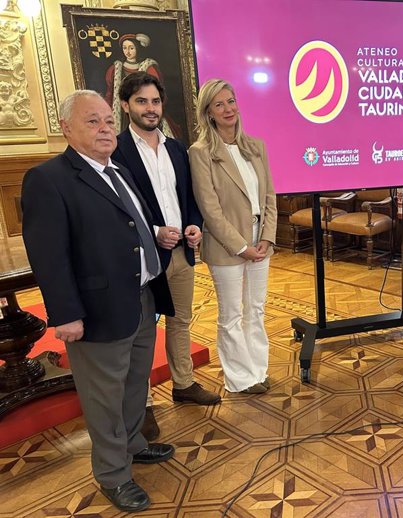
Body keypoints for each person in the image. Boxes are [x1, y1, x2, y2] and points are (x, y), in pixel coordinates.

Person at [21, 90, 175, 512]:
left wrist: (156, 235)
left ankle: (133, 444)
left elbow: (127, 225)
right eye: (93, 121)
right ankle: (113, 474)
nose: (105, 128)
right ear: (66, 128)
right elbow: (49, 256)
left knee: (132, 386)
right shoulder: (49, 178)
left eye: (108, 120)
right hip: (97, 311)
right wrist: (66, 314)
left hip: (141, 299)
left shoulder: (118, 169)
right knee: (104, 397)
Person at [112, 72, 221, 437]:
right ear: (126, 105)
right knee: (142, 331)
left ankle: (184, 383)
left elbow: (188, 197)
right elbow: (119, 209)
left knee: (181, 321)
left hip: (180, 253)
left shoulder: (177, 148)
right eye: (142, 101)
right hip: (143, 256)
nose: (150, 108)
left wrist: (193, 225)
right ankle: (141, 405)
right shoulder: (116, 150)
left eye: (155, 101)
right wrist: (154, 231)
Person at [189, 79, 277, 394]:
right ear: (209, 113)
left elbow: (269, 197)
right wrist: (242, 247)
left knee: (256, 308)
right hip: (227, 245)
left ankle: (258, 369)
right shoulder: (199, 153)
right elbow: (210, 210)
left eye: (231, 101)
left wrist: (266, 237)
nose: (229, 109)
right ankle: (240, 378)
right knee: (232, 313)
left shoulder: (256, 147)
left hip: (260, 239)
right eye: (219, 104)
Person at [104, 33, 180, 138]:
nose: (128, 51)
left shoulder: (149, 67)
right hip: (122, 117)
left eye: (131, 48)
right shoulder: (115, 69)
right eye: (125, 48)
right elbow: (109, 94)